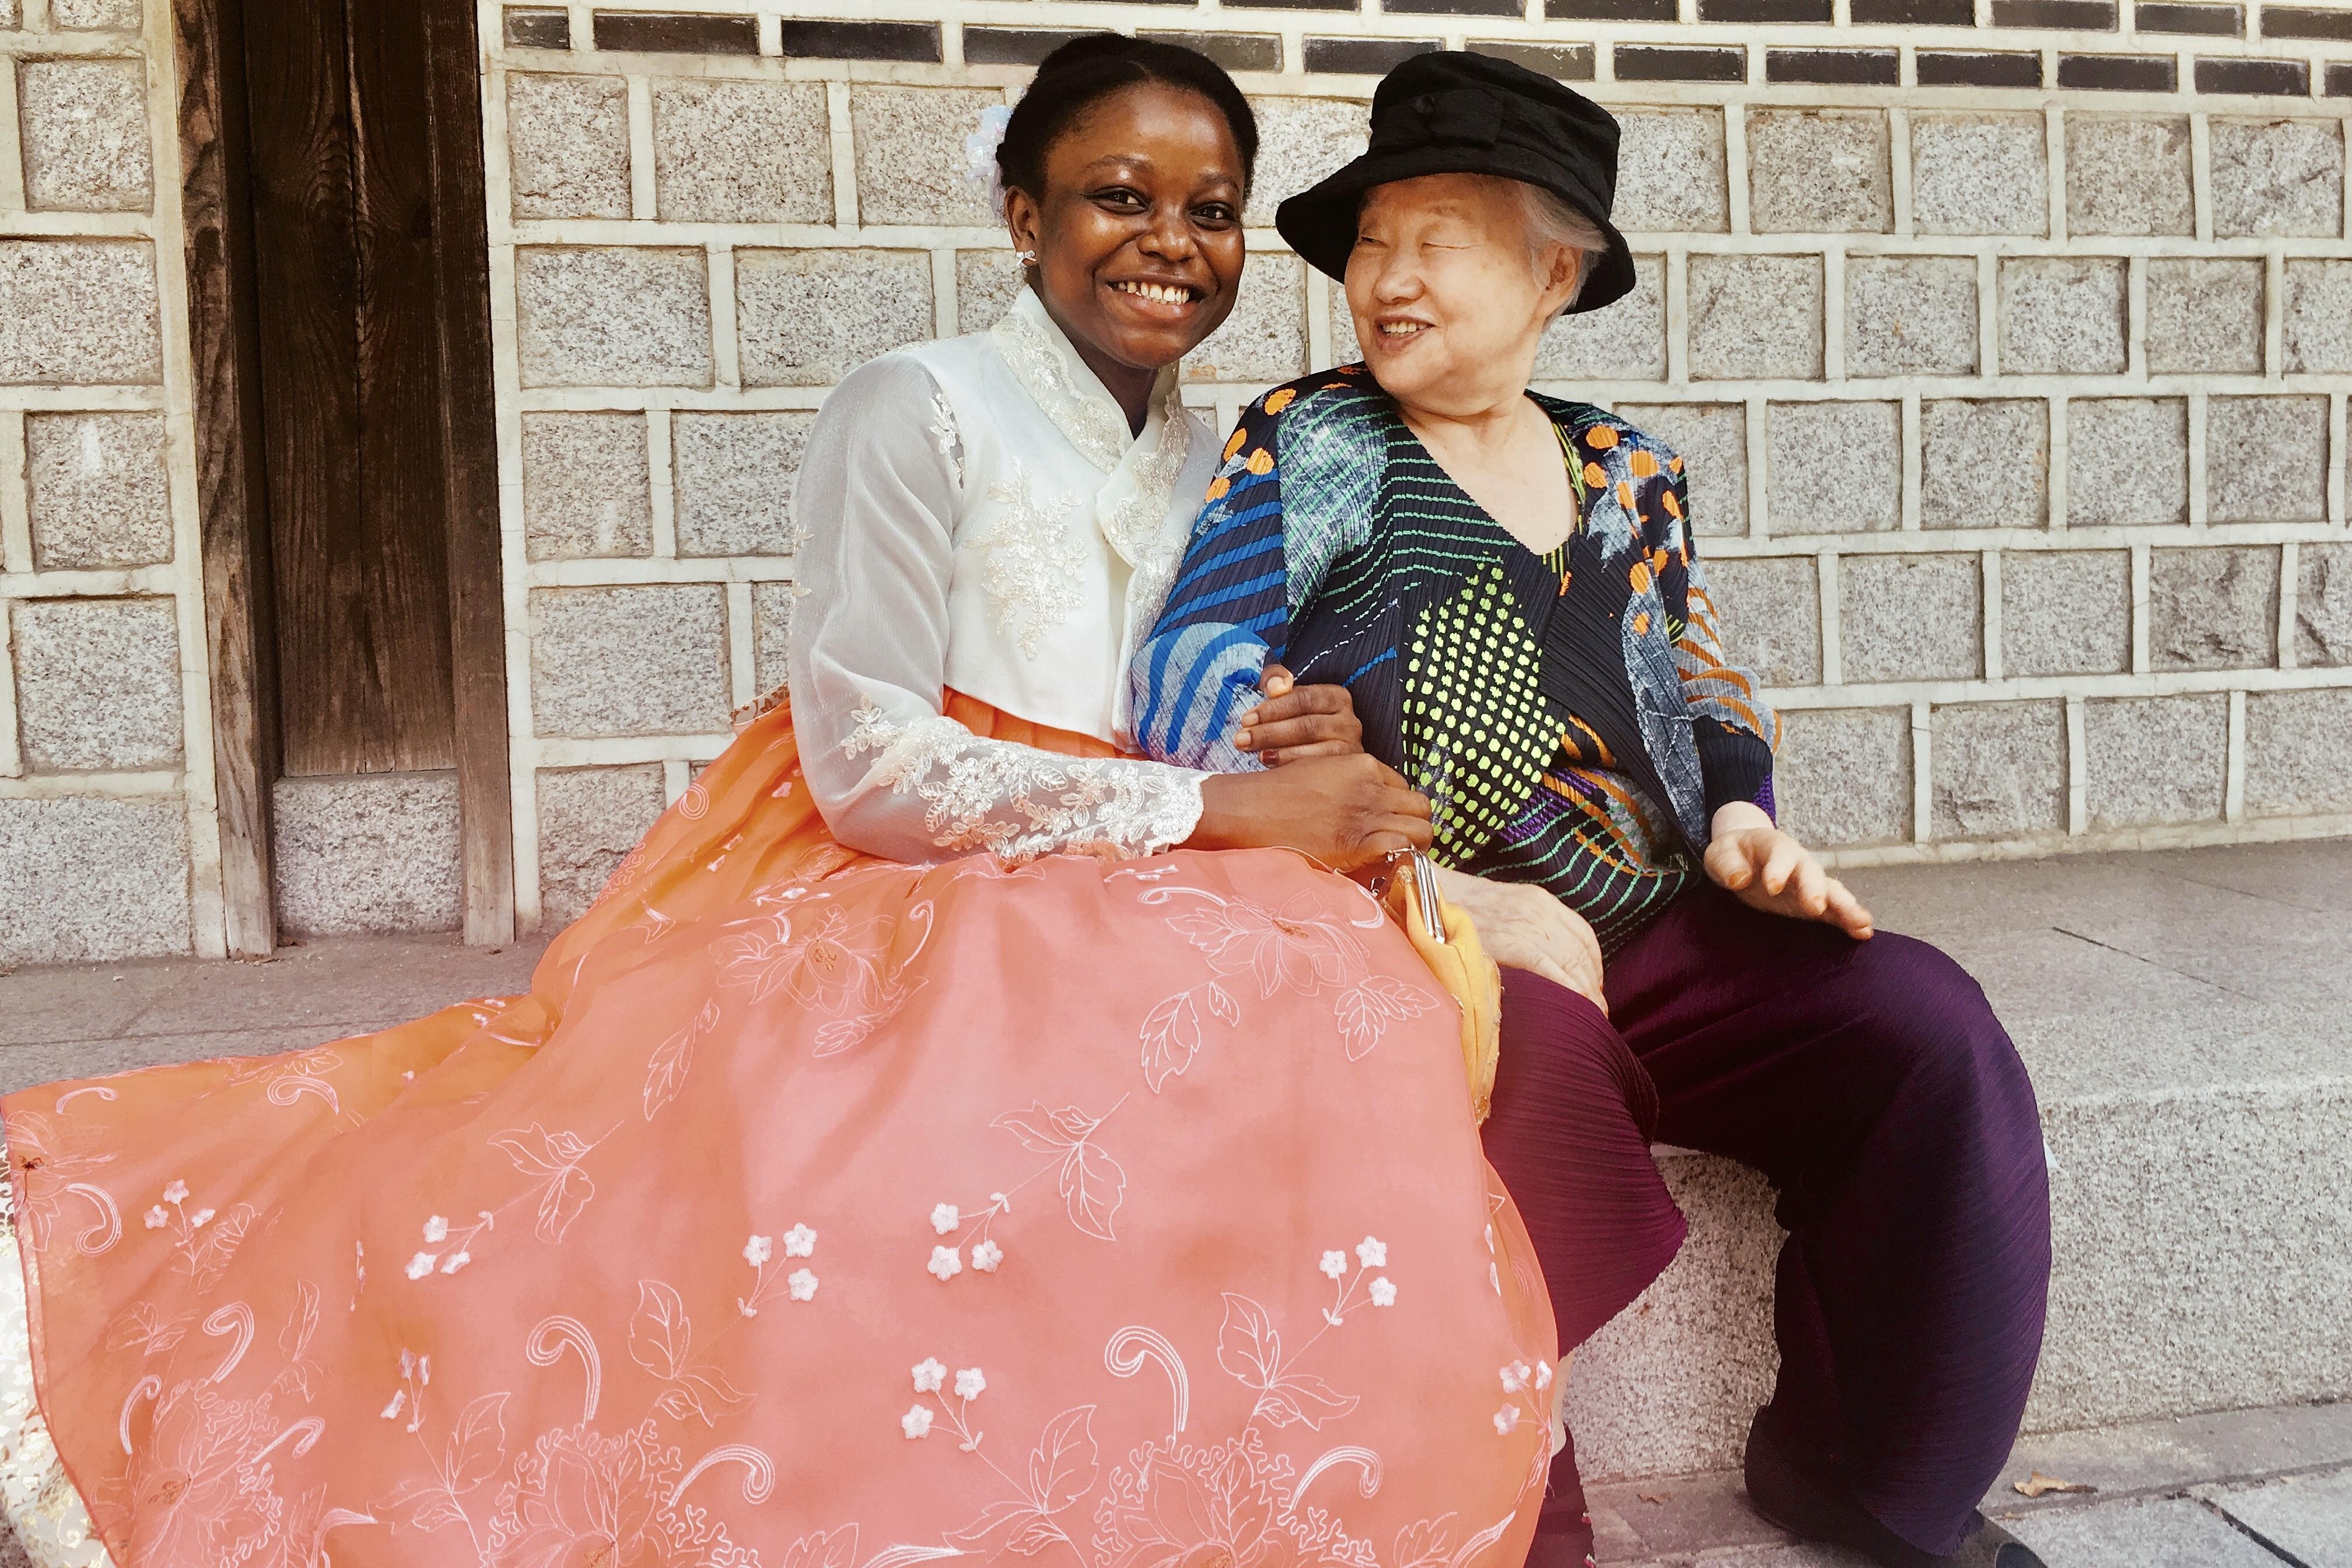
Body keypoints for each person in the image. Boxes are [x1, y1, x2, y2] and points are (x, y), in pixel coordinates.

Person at [0, 38, 1561, 1568]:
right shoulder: (917, 405)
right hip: (905, 836)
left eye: (1210, 207)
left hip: (1130, 837)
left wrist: (1281, 733)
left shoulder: (1225, 454)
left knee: (1324, 1008)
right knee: (861, 1122)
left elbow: (1180, 682)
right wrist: (1211, 820)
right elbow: (871, 762)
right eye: (1117, 195)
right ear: (1024, 217)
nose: (1170, 241)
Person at [1133, 50, 2053, 1568]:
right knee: (1533, 1082)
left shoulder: (1626, 466)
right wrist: (1362, 833)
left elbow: (1695, 668)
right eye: (1372, 237)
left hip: (1657, 913)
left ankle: (1870, 1475)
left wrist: (1745, 819)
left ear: (1552, 267)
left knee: (1925, 1027)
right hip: (1419, 929)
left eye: (1437, 237)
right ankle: (1506, 1527)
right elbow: (1188, 665)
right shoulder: (1311, 443)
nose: (1386, 275)